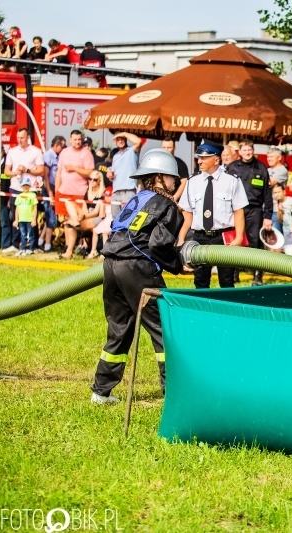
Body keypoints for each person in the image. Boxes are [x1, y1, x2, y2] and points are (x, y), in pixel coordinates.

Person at [89, 149, 184, 404]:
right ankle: (173, 391)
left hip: (110, 264)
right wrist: (179, 263)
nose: (175, 183)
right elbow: (158, 244)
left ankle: (101, 391)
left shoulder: (135, 199)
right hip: (137, 267)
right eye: (173, 178)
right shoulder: (167, 205)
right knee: (164, 327)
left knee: (119, 328)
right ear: (161, 177)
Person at [177, 140, 248, 288]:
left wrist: (239, 237)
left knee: (226, 281)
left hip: (223, 238)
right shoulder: (192, 182)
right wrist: (182, 238)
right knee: (200, 281)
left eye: (203, 157)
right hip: (200, 237)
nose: (199, 161)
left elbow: (239, 212)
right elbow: (187, 214)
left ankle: (226, 310)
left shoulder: (232, 181)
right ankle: (202, 311)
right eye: (199, 157)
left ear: (216, 159)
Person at [227, 139, 273, 285]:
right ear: (239, 152)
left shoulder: (261, 168)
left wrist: (267, 216)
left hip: (255, 209)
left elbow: (267, 194)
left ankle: (257, 276)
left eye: (249, 150)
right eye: (244, 150)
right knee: (235, 241)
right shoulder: (232, 168)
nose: (247, 153)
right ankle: (233, 274)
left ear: (253, 151)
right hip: (236, 209)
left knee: (255, 243)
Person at [56, 130, 95, 259]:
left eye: (79, 139)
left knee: (77, 221)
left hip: (79, 193)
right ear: (70, 139)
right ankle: (68, 248)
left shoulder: (86, 153)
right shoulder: (64, 152)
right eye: (75, 139)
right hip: (63, 192)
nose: (78, 142)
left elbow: (90, 172)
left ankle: (81, 247)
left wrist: (74, 168)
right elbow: (59, 173)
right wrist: (57, 191)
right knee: (67, 221)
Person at [106, 132, 142, 218]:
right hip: (116, 193)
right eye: (118, 139)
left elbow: (138, 141)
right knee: (115, 221)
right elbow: (113, 177)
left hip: (128, 192)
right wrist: (110, 175)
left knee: (127, 219)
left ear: (126, 139)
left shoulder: (132, 151)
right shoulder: (115, 156)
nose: (120, 141)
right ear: (115, 141)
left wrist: (124, 133)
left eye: (122, 138)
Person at [12, 177, 37, 256]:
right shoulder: (19, 196)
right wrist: (16, 220)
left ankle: (31, 249)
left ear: (29, 186)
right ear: (21, 186)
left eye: (27, 185)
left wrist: (34, 219)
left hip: (29, 219)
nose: (25, 187)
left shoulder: (33, 195)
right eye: (24, 185)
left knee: (31, 235)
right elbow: (17, 209)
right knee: (23, 235)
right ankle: (23, 249)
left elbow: (35, 208)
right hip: (21, 219)